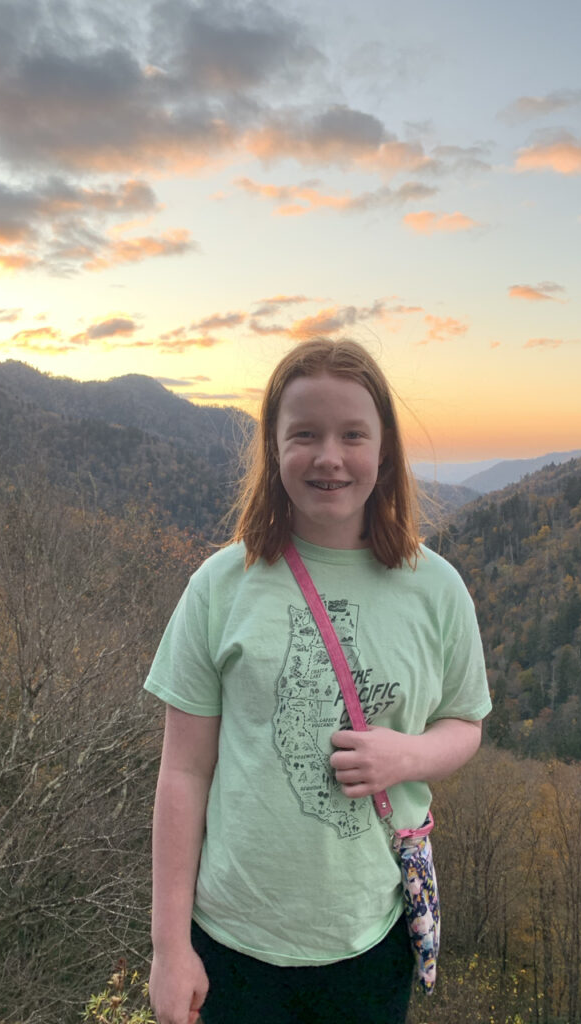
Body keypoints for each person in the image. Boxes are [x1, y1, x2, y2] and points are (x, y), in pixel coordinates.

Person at [145, 338, 491, 1024]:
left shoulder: (438, 589)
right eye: (304, 434)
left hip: (370, 938)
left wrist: (408, 755)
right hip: (232, 942)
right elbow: (183, 772)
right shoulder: (221, 586)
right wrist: (168, 947)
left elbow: (465, 723)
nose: (329, 455)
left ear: (384, 449)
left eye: (352, 434)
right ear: (273, 450)